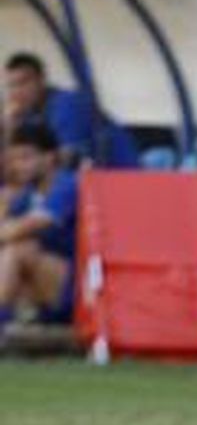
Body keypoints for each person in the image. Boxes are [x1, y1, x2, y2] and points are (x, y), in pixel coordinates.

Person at [0, 124, 78, 329]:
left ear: (50, 157)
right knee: (12, 250)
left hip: (74, 288)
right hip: (43, 288)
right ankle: (18, 320)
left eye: (26, 157)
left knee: (20, 248)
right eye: (15, 159)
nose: (18, 166)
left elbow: (28, 226)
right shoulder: (26, 195)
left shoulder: (67, 185)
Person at [3, 52, 137, 167]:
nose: (17, 92)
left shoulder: (68, 104)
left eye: (23, 83)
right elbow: (12, 163)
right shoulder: (26, 113)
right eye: (11, 86)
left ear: (41, 80)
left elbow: (70, 159)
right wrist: (10, 125)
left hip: (118, 172)